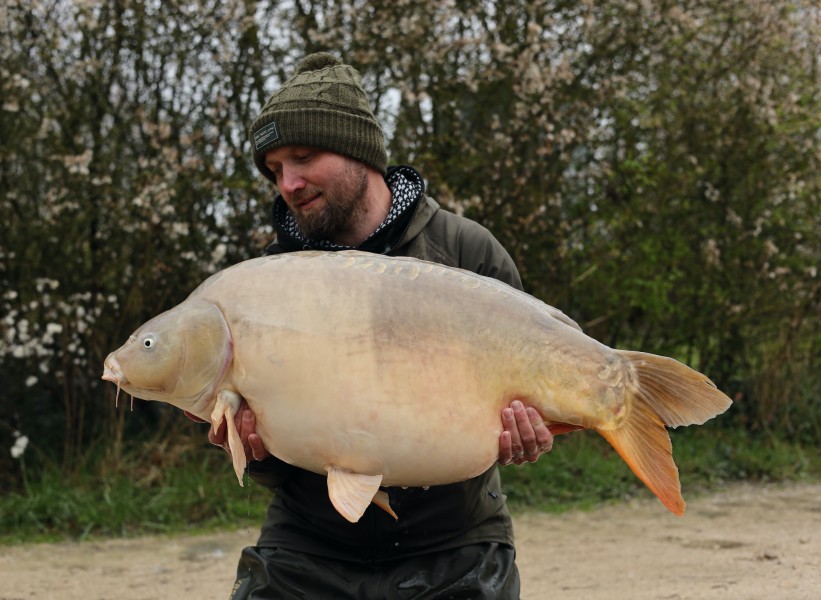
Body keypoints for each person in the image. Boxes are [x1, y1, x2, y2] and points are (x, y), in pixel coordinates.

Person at [203, 52, 553, 599]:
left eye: (302, 156)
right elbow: (271, 457)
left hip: (453, 538)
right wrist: (256, 451)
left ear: (358, 152)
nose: (288, 183)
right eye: (275, 170)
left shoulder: (465, 250)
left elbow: (528, 398)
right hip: (308, 541)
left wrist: (530, 433)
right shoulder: (266, 285)